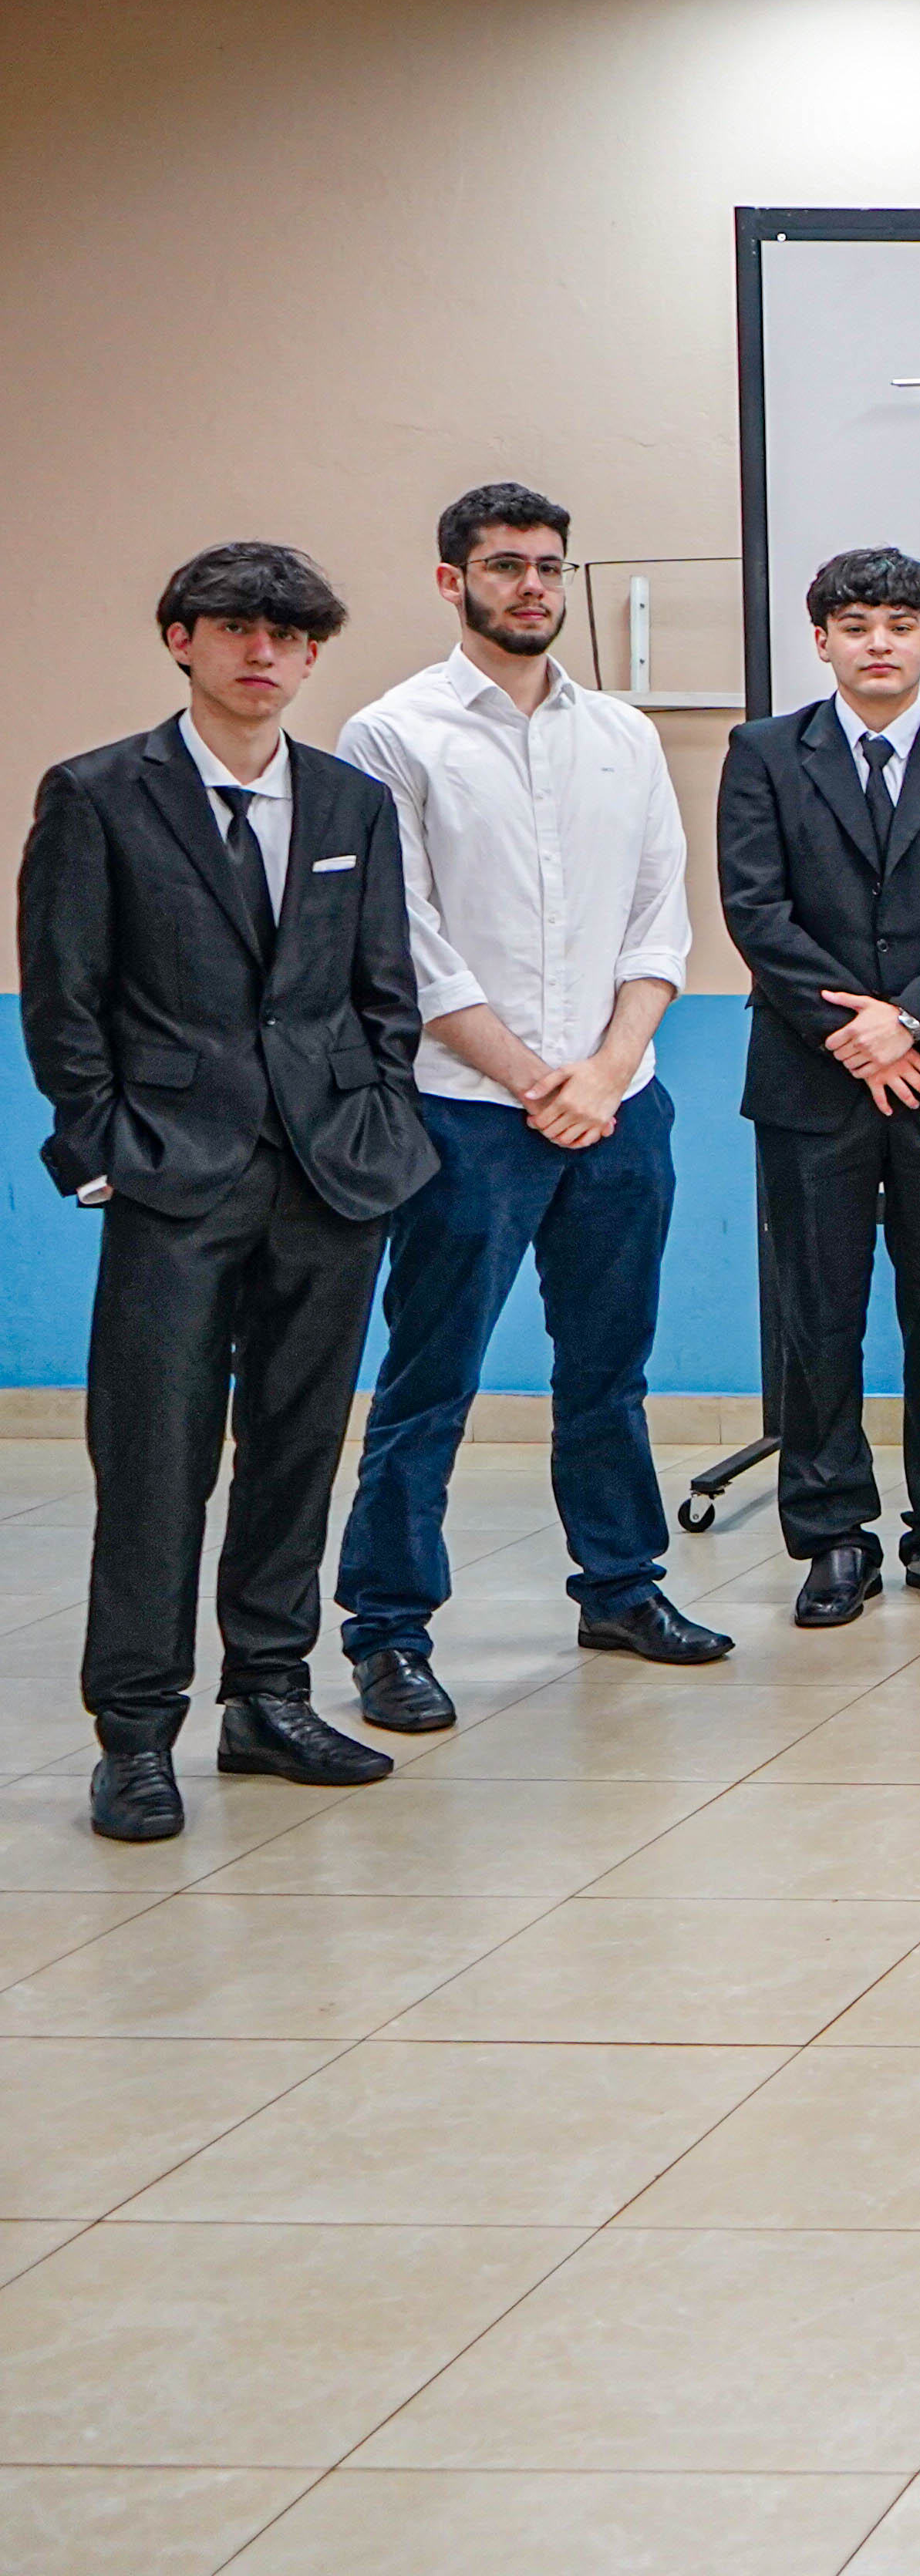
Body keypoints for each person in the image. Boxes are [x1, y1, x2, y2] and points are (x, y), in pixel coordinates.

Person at [22, 545, 437, 1841]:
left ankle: (269, 1695)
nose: (264, 653)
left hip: (330, 1177)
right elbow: (64, 996)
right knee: (153, 1461)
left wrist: (380, 1120)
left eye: (290, 636)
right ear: (180, 641)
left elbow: (384, 990)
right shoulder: (97, 795)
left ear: (314, 659)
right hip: (172, 1180)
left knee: (299, 1448)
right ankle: (136, 1733)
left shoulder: (351, 803)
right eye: (236, 630)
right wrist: (100, 1146)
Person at [331, 482, 725, 1726]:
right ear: (453, 582)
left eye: (550, 566)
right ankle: (389, 1629)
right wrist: (527, 1079)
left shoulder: (620, 734)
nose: (535, 588)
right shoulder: (390, 735)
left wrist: (606, 1071)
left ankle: (620, 1585)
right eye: (506, 567)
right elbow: (406, 940)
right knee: (429, 1376)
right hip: (464, 1112)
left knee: (607, 1371)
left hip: (622, 1107)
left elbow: (663, 917)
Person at [716, 547, 920, 1631]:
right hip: (812, 1084)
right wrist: (855, 1029)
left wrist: (909, 1022)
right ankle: (833, 1536)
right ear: (821, 641)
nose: (879, 643)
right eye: (855, 625)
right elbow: (756, 911)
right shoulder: (764, 753)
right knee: (821, 1317)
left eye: (900, 624)